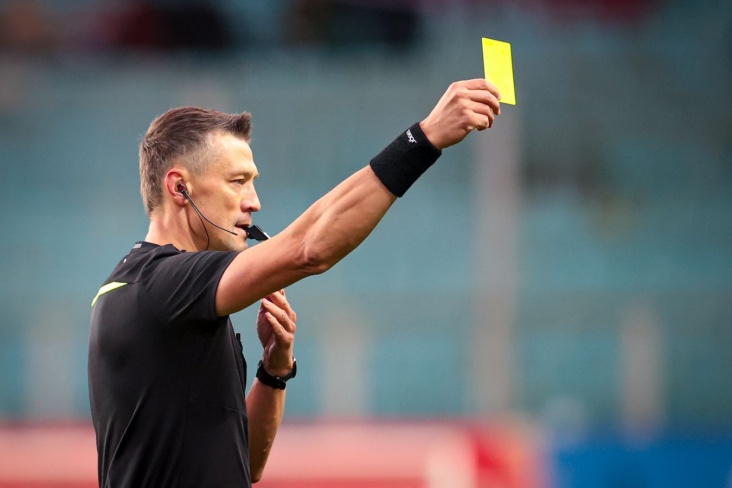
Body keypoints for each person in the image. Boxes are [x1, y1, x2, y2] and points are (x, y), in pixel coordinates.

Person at [88, 78, 501, 487]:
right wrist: (424, 139)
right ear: (180, 188)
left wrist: (273, 371)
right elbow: (309, 249)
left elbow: (246, 464)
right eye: (237, 181)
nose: (254, 201)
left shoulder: (162, 296)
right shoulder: (160, 284)